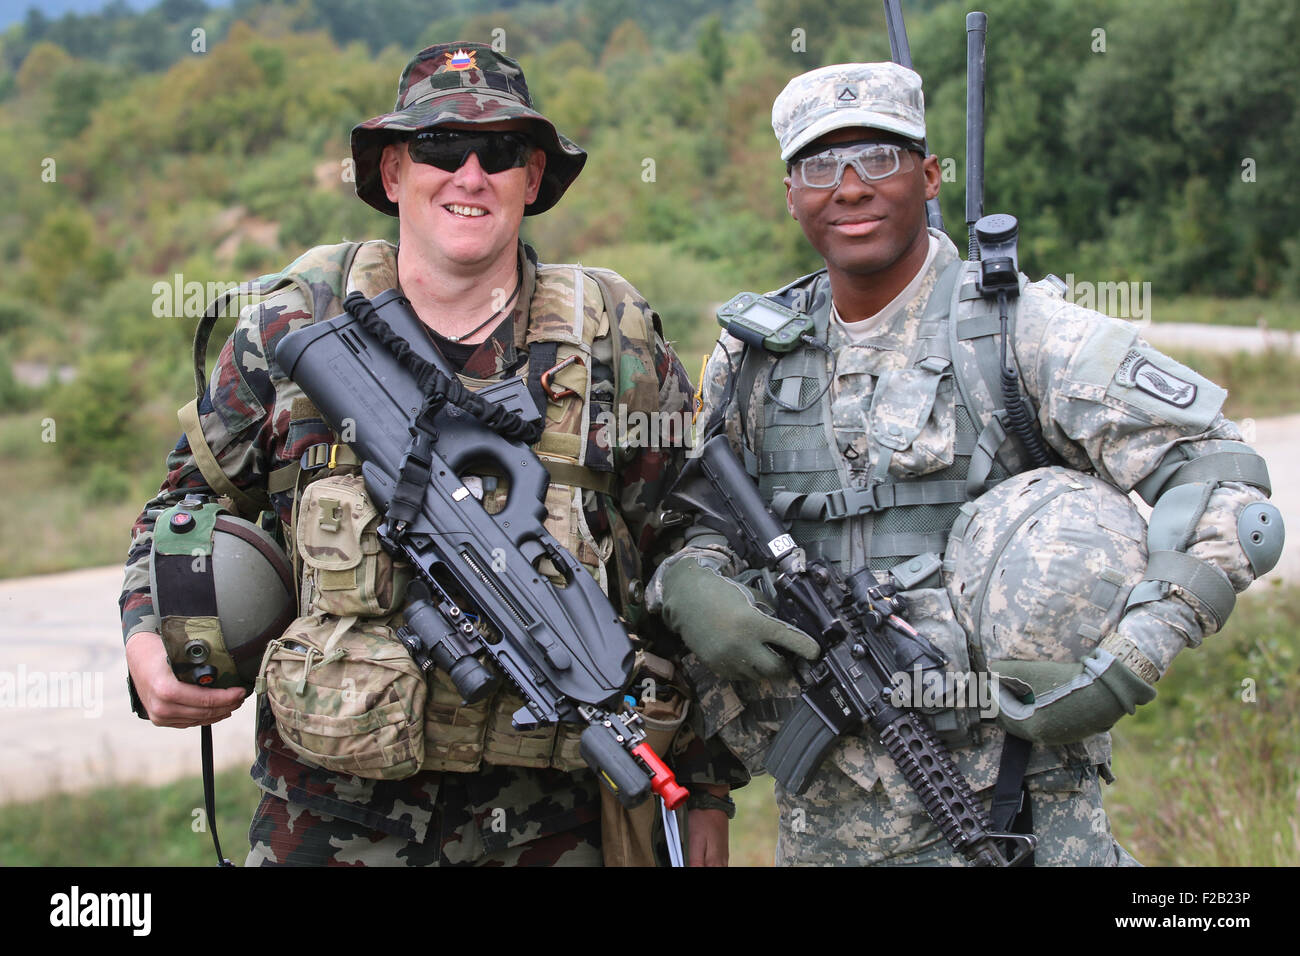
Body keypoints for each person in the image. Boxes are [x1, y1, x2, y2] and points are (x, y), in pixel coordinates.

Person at [119, 42, 740, 867]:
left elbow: (684, 549)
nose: (470, 174)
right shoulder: (291, 326)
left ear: (532, 179)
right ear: (391, 174)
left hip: (555, 826)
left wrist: (702, 793)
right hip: (327, 822)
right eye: (442, 148)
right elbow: (182, 509)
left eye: (502, 152)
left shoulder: (611, 339)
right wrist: (143, 642)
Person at [650, 61, 1283, 866]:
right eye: (819, 165)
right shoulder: (750, 359)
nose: (849, 188)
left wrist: (1131, 660)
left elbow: (1225, 486)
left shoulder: (1021, 333)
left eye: (878, 158)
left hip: (1019, 807)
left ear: (930, 173)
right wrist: (692, 584)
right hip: (826, 824)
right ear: (790, 192)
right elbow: (694, 518)